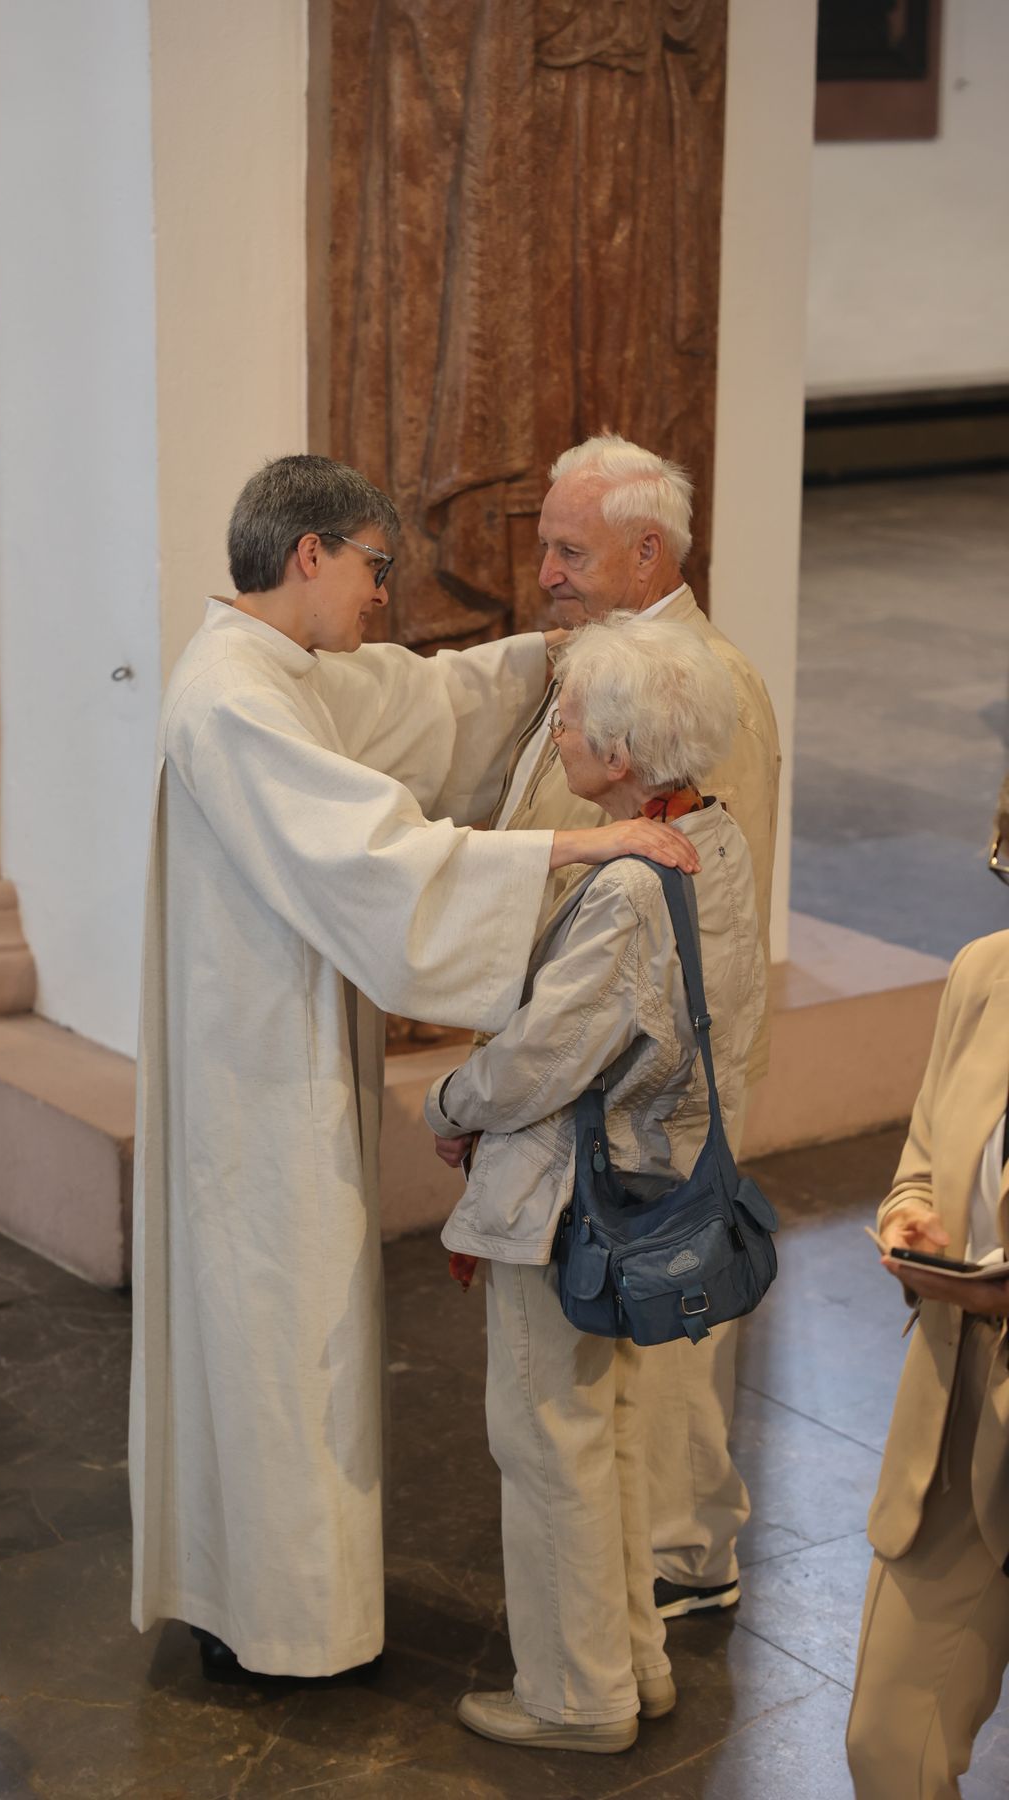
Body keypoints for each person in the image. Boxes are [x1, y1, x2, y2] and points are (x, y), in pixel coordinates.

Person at [128, 455, 699, 1681]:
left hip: (276, 1045)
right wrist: (574, 841)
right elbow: (372, 855)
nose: (385, 596)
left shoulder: (275, 673)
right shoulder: (232, 699)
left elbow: (417, 706)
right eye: (376, 569)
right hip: (254, 1083)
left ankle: (266, 1600)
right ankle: (284, 1626)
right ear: (310, 556)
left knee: (287, 1339)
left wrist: (555, 658)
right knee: (282, 1340)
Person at [426, 612, 766, 1751]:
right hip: (643, 1178)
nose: (557, 734)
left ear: (617, 754)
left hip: (568, 1199)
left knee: (548, 1440)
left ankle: (575, 1698)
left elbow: (541, 1058)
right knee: (608, 1435)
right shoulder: (713, 839)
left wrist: (448, 1103)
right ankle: (635, 1666)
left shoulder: (626, 886)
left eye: (567, 719)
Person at [483, 430, 781, 1620]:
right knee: (628, 1318)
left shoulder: (704, 682)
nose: (546, 568)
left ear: (646, 549)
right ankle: (652, 1543)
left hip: (655, 1067)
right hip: (601, 1041)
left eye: (570, 548)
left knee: (669, 1307)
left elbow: (697, 900)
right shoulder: (604, 658)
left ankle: (679, 1552)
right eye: (547, 545)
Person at [846, 775, 1009, 1800]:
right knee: (888, 1744)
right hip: (955, 1438)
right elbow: (922, 1154)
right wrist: (911, 1219)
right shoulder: (984, 974)